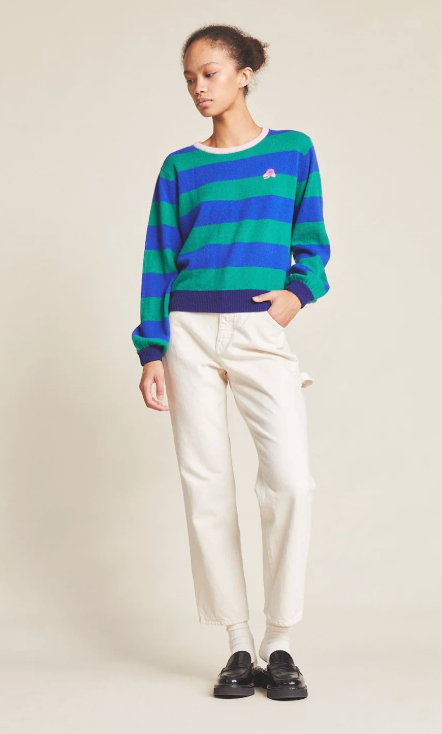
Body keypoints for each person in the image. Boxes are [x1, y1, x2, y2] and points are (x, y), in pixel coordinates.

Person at [131, 24, 331, 700]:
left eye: (210, 73)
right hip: (187, 329)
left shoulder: (292, 150)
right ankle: (238, 643)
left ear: (245, 74)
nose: (198, 87)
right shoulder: (179, 167)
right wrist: (152, 348)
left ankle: (281, 641)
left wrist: (295, 296)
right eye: (189, 77)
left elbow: (313, 243)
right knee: (206, 485)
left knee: (290, 481)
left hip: (257, 327)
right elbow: (158, 259)